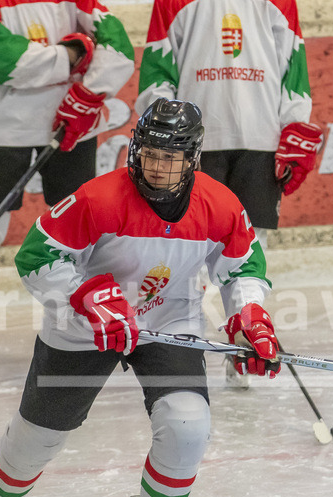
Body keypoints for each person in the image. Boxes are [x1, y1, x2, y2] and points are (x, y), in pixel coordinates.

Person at [0, 98, 281, 497]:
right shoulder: (98, 199)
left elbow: (243, 267)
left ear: (192, 158)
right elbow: (36, 256)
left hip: (166, 323)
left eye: (171, 158)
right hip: (83, 326)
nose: (158, 167)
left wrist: (249, 317)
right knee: (36, 438)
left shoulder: (221, 205)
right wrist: (85, 296)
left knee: (188, 426)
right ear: (136, 150)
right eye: (150, 154)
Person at [0, 0, 135, 374]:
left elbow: (119, 51)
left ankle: (98, 320)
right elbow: (6, 63)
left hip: (68, 122)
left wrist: (88, 94)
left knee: (84, 232)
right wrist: (75, 53)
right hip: (7, 128)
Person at [134, 0, 323, 388]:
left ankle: (244, 336)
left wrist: (295, 124)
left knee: (251, 246)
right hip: (192, 141)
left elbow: (293, 63)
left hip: (261, 137)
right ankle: (179, 342)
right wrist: (163, 131)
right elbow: (157, 65)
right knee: (186, 247)